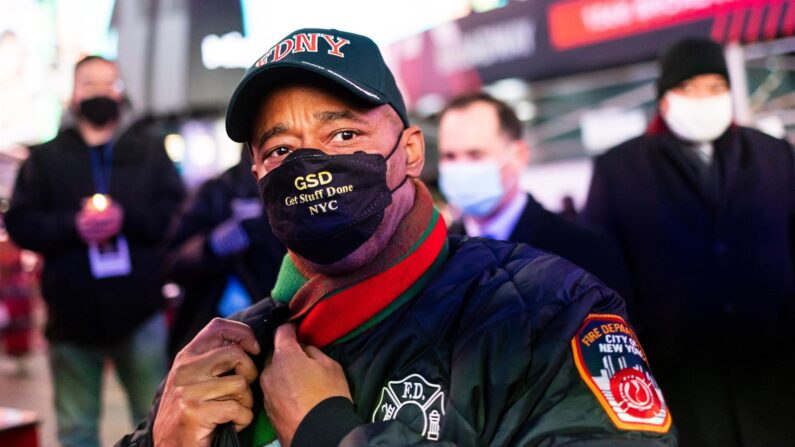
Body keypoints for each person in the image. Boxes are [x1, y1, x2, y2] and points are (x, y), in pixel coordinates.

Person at [118, 28, 676, 447]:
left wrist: (330, 433)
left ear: (409, 151)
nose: (312, 166)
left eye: (343, 133)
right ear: (259, 176)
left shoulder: (548, 312)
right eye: (281, 150)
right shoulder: (229, 351)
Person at [582, 37, 795, 447]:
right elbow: (604, 277)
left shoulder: (773, 156)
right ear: (665, 98)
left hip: (775, 383)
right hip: (679, 386)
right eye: (689, 88)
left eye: (715, 87)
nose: (704, 99)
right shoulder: (620, 169)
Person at [4, 55, 185, 447]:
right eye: (89, 84)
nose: (99, 93)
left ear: (121, 92)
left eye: (109, 84)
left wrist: (127, 218)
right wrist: (72, 226)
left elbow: (174, 213)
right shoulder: (46, 158)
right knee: (75, 428)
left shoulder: (149, 151)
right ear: (73, 92)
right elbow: (20, 221)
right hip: (71, 315)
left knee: (158, 420)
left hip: (140, 309)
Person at [437, 93, 632, 301]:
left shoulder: (586, 249)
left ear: (519, 155)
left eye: (476, 155)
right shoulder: (439, 255)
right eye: (450, 156)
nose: (460, 168)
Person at [164, 147, 285, 360]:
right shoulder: (216, 191)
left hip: (283, 323)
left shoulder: (296, 189)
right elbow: (173, 263)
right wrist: (213, 245)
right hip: (214, 323)